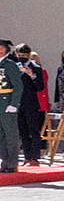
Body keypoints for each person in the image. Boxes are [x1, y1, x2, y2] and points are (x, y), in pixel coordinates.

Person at [16, 47, 47, 165]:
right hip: (18, 104)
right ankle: (27, 157)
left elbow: (40, 87)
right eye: (19, 55)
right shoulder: (15, 67)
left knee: (33, 131)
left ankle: (34, 157)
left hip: (31, 104)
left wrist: (32, 75)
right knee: (23, 132)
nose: (21, 58)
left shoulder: (36, 68)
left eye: (24, 56)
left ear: (29, 55)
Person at [0, 40, 24, 173]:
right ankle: (4, 161)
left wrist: (14, 104)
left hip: (7, 102)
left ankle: (12, 163)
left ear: (5, 50)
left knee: (10, 134)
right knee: (1, 135)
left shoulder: (9, 65)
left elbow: (18, 86)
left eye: (1, 48)